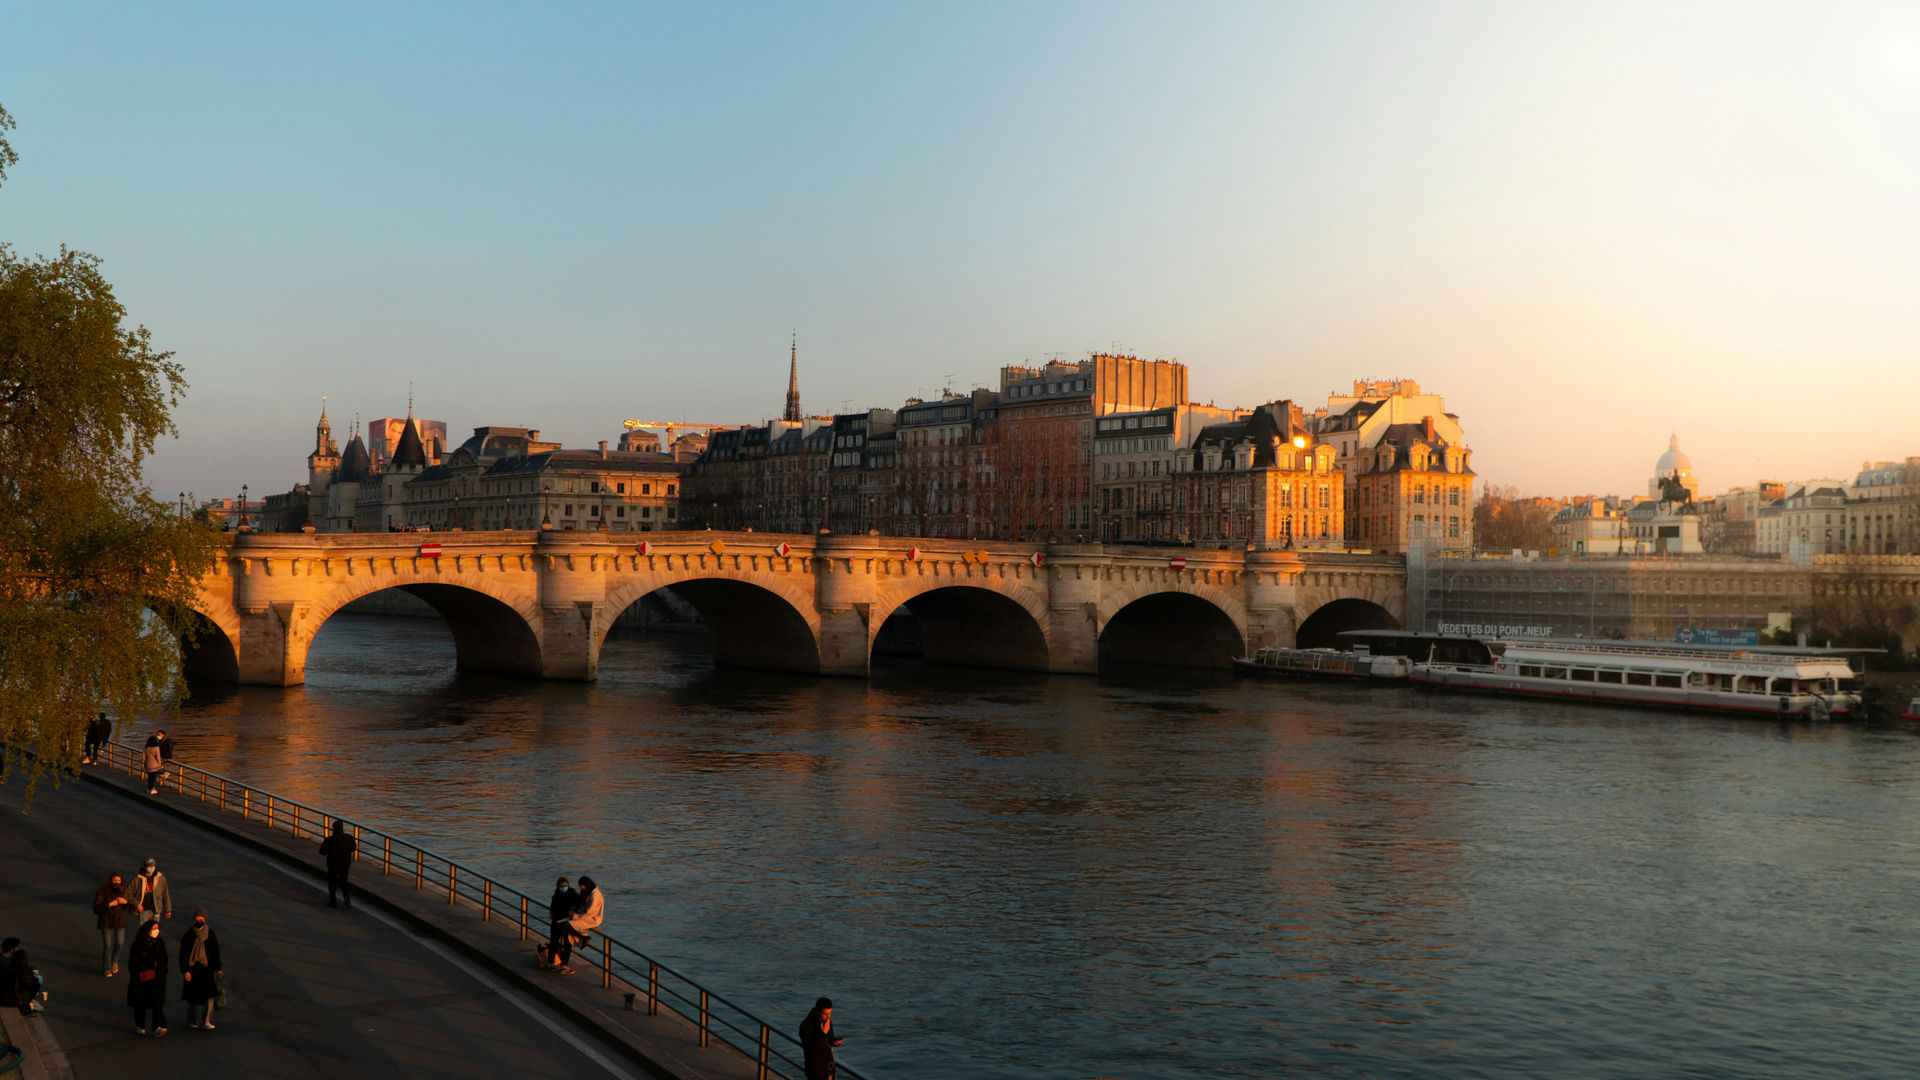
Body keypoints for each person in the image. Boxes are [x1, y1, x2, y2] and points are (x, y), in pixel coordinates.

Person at [179, 909, 222, 1030]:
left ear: (205, 920)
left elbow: (215, 953)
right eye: (197, 919)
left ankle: (206, 1020)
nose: (199, 921)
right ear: (193, 920)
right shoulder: (188, 935)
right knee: (191, 997)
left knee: (210, 996)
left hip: (206, 969)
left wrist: (218, 969)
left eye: (201, 920)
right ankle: (192, 1021)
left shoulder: (210, 934)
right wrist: (185, 970)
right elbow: (183, 955)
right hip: (193, 969)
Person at [552, 875, 603, 975]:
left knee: (567, 925)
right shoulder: (588, 893)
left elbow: (589, 912)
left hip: (591, 918)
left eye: (582, 887)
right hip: (582, 915)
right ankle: (563, 964)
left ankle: (583, 938)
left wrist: (575, 916)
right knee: (565, 928)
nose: (581, 889)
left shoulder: (595, 895)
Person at [126, 920, 169, 1037]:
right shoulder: (138, 944)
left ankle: (157, 1026)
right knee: (140, 1004)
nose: (156, 931)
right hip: (142, 979)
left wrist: (161, 972)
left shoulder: (160, 943)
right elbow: (133, 962)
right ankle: (140, 1025)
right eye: (154, 928)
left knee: (157, 1003)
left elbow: (164, 959)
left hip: (157, 978)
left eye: (157, 928)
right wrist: (138, 975)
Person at [93, 871, 131, 976]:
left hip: (119, 921)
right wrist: (109, 904)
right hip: (106, 921)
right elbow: (96, 907)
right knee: (108, 945)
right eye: (114, 880)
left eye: (119, 881)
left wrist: (125, 902)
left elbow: (128, 904)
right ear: (110, 881)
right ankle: (107, 967)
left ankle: (114, 960)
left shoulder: (124, 891)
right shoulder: (102, 891)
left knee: (119, 943)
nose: (116, 882)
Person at [799, 997, 844, 1080]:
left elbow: (829, 1040)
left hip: (828, 1068)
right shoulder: (806, 1025)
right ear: (817, 1011)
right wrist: (823, 1033)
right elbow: (810, 1049)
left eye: (830, 1014)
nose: (828, 1017)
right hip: (815, 1071)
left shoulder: (827, 1020)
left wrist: (835, 1042)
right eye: (825, 1014)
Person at [538, 876, 577, 971]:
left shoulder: (572, 894)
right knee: (554, 943)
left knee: (567, 944)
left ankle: (563, 964)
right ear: (558, 886)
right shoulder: (556, 896)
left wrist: (572, 910)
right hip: (558, 922)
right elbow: (553, 909)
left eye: (565, 885)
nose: (563, 887)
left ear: (568, 885)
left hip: (567, 922)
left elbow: (577, 904)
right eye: (561, 886)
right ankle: (552, 963)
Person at [318, 820, 357, 909]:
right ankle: (347, 901)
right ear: (342, 828)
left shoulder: (329, 840)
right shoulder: (349, 838)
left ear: (333, 828)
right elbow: (353, 848)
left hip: (332, 863)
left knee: (332, 882)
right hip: (345, 863)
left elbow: (322, 852)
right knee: (344, 881)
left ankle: (333, 902)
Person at [0, 939, 43, 1017]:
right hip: (12, 1000)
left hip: (2, 998)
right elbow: (31, 986)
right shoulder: (22, 973)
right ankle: (27, 1008)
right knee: (34, 984)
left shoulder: (7, 970)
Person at [130, 858, 172, 926]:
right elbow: (128, 893)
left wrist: (168, 909)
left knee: (154, 930)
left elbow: (165, 894)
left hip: (156, 910)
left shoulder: (160, 878)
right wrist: (137, 904)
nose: (152, 868)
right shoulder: (137, 879)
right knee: (144, 930)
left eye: (153, 866)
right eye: (149, 866)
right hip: (144, 910)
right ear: (145, 867)